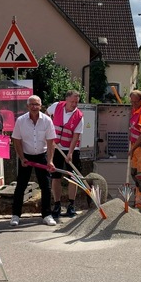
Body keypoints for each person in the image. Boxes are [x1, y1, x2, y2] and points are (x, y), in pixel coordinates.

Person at [10, 95, 58, 227]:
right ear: (27, 106)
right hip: (26, 156)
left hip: (42, 156)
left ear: (40, 106)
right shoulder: (21, 121)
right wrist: (21, 158)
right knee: (20, 186)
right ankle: (15, 215)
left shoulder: (47, 121)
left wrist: (50, 160)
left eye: (37, 104)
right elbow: (17, 140)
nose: (34, 107)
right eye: (31, 104)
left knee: (46, 187)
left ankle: (47, 215)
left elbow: (50, 142)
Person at [47, 90, 84, 218]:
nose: (74, 104)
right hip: (56, 147)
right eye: (72, 101)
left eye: (76, 102)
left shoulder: (79, 116)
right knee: (55, 177)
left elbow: (76, 136)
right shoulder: (56, 106)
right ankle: (57, 204)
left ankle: (71, 205)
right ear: (66, 99)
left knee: (73, 178)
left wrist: (70, 153)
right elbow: (46, 116)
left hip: (71, 149)